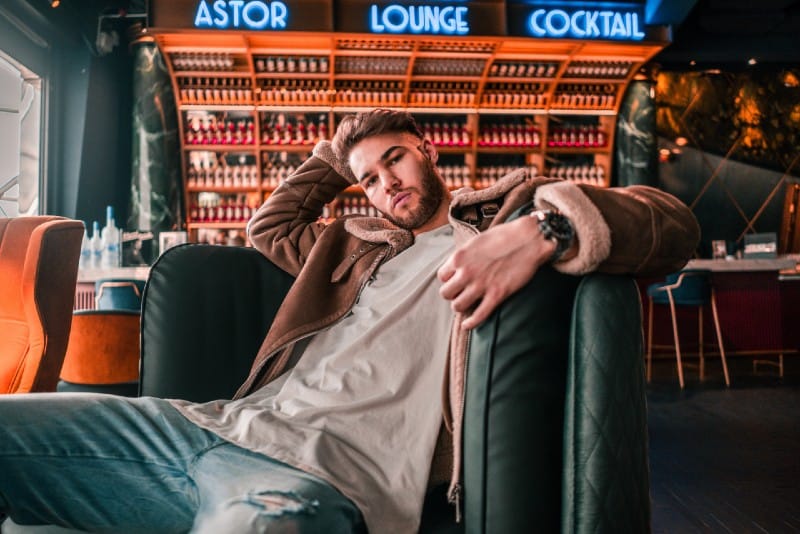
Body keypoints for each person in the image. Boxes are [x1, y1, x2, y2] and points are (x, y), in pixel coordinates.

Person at [0, 109, 699, 534]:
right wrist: (343, 153)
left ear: (427, 147)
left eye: (395, 157)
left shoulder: (504, 212)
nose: (386, 183)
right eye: (369, 177)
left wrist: (543, 230)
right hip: (209, 425)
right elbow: (269, 224)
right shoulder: (349, 244)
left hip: (326, 474)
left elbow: (671, 224)